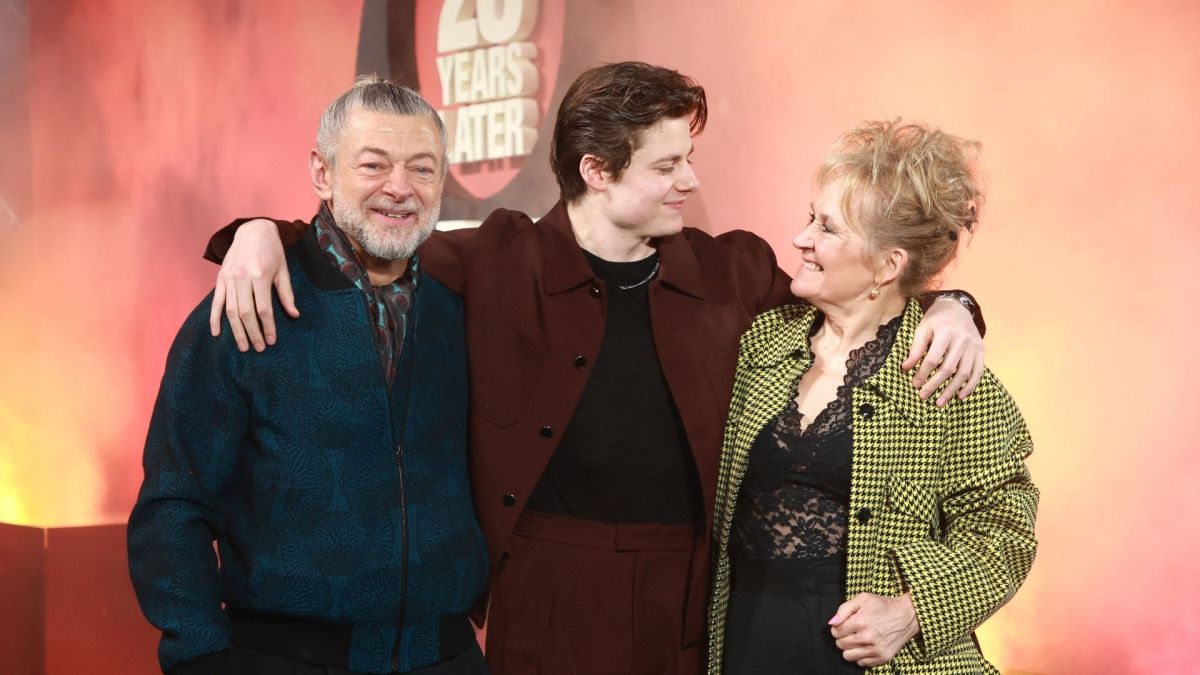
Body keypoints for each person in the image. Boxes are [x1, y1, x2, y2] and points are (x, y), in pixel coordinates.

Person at [203, 63, 987, 675]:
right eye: (668, 165)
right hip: (545, 590)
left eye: (691, 158)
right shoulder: (495, 258)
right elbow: (375, 236)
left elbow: (862, 297)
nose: (691, 181)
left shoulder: (731, 270)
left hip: (688, 595)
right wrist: (259, 233)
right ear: (598, 171)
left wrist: (954, 302)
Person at [128, 76, 490, 675]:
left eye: (422, 169)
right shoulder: (247, 304)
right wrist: (198, 656)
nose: (400, 188)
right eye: (374, 165)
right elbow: (175, 502)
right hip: (283, 657)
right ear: (322, 173)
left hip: (447, 657)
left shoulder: (464, 308)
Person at [706, 120, 1038, 674]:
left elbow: (1005, 530)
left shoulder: (946, 370)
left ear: (888, 265)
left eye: (828, 228)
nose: (801, 239)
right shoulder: (760, 343)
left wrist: (914, 609)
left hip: (876, 656)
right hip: (748, 639)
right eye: (809, 217)